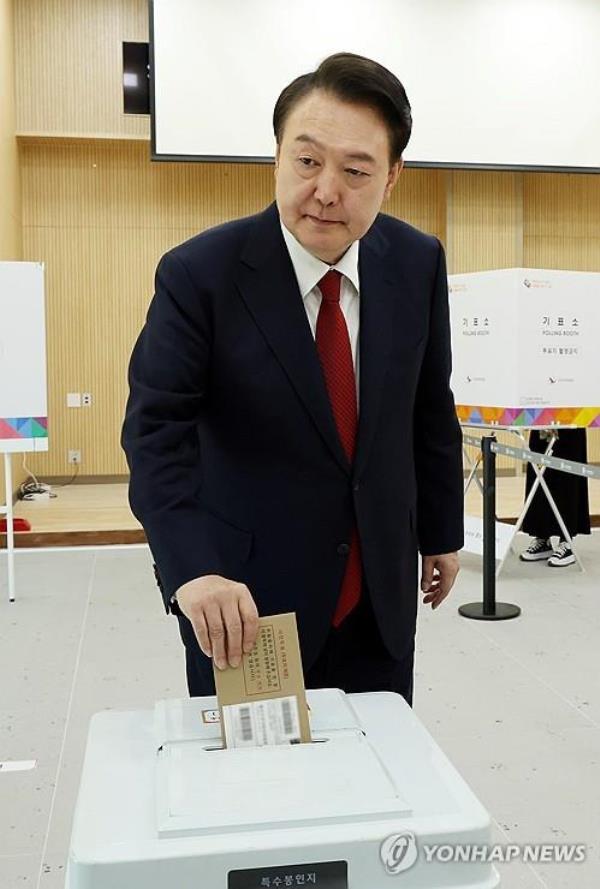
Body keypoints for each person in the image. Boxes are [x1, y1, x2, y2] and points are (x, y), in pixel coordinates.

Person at [121, 52, 464, 706]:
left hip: (379, 596)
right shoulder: (202, 275)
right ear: (276, 155)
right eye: (306, 161)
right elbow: (155, 435)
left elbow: (428, 406)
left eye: (356, 170)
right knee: (256, 791)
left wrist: (443, 530)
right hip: (248, 604)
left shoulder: (418, 263)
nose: (326, 189)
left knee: (377, 775)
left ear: (392, 177)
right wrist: (192, 569)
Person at [520, 428, 590, 567]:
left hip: (569, 417)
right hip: (540, 414)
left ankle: (566, 542)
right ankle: (542, 538)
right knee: (538, 475)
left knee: (566, 477)